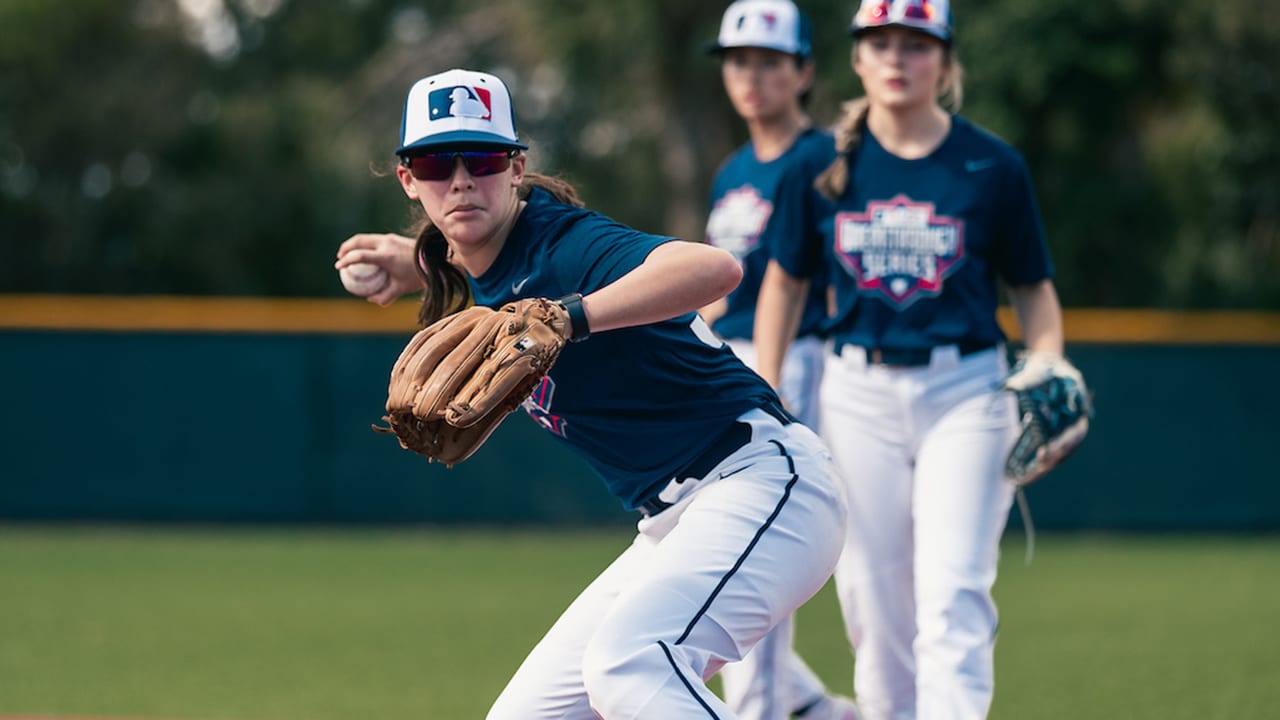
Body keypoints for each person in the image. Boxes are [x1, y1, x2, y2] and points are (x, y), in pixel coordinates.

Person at [336, 67, 847, 719]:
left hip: (763, 483)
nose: (461, 179)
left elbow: (713, 267)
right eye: (438, 163)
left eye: (484, 158)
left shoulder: (568, 245)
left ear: (517, 168)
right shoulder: (476, 259)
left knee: (632, 664)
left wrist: (568, 317)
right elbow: (475, 255)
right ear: (409, 179)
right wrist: (414, 259)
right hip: (671, 522)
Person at [754, 1, 1070, 718]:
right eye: (881, 42)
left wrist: (1049, 358)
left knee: (954, 587)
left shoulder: (991, 164)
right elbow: (784, 281)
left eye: (916, 44)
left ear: (945, 61)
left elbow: (1034, 293)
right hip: (855, 391)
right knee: (872, 597)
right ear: (858, 58)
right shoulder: (821, 161)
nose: (898, 58)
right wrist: (767, 388)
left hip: (966, 390)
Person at [700, 2, 858, 719]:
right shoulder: (733, 170)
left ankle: (762, 709)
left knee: (756, 541)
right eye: (738, 60)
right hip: (724, 360)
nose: (750, 75)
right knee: (714, 541)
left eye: (768, 61)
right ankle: (816, 711)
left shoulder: (824, 158)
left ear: (803, 72)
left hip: (800, 355)